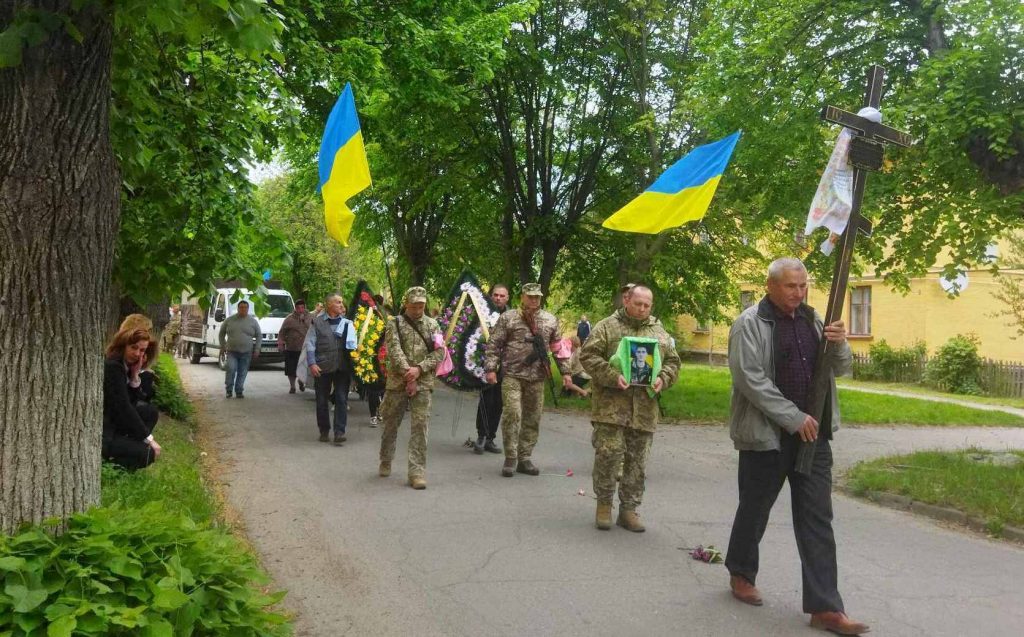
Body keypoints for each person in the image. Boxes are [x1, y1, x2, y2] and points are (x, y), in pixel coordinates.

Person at [724, 257, 868, 636]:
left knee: (817, 518)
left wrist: (838, 343)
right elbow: (750, 379)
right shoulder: (749, 324)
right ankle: (741, 572)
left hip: (814, 436)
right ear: (770, 285)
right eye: (791, 286)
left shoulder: (813, 319)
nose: (799, 293)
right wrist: (792, 417)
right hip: (767, 436)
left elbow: (841, 368)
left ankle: (825, 607)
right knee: (755, 509)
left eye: (803, 285)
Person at [580, 285, 680, 532]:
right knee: (608, 456)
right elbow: (588, 356)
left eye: (647, 305)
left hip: (644, 409)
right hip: (611, 408)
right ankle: (604, 505)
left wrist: (662, 379)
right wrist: (612, 376)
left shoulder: (658, 331)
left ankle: (629, 510)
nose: (642, 309)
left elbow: (673, 362)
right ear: (627, 301)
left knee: (637, 462)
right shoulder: (607, 326)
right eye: (638, 304)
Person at [484, 283, 572, 478]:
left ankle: (525, 458)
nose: (534, 300)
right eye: (530, 296)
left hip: (537, 378)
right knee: (512, 414)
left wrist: (566, 372)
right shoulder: (509, 318)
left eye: (537, 297)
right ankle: (511, 457)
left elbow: (558, 349)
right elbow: (494, 344)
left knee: (532, 418)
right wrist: (491, 368)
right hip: (512, 375)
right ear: (522, 297)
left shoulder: (550, 320)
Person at [378, 287, 444, 489]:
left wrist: (419, 370)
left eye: (421, 305)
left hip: (423, 382)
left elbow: (440, 353)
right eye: (414, 305)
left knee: (420, 426)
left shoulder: (433, 325)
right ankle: (386, 458)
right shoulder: (394, 324)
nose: (417, 309)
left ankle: (417, 471)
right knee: (391, 423)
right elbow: (394, 351)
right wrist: (409, 374)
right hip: (398, 381)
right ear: (406, 303)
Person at [103, 327, 162, 470]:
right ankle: (113, 468)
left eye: (142, 350)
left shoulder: (125, 366)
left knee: (150, 412)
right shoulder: (113, 367)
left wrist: (135, 376)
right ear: (123, 345)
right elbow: (124, 408)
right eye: (133, 347)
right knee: (149, 453)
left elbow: (133, 402)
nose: (137, 353)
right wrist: (149, 439)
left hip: (114, 422)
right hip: (105, 431)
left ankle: (129, 448)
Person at [306, 293, 357, 445]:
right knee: (321, 400)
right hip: (322, 366)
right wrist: (312, 363)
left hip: (342, 367)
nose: (342, 305)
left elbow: (354, 344)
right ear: (329, 305)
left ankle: (339, 432)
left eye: (342, 302)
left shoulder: (348, 323)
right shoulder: (316, 322)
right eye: (338, 302)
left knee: (341, 399)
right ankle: (324, 430)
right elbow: (310, 343)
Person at [473, 283, 510, 454]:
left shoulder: (512, 317)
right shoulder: (482, 315)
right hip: (487, 366)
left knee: (498, 404)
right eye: (496, 295)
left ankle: (491, 438)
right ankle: (481, 436)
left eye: (502, 296)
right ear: (491, 296)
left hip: (506, 368)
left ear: (507, 298)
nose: (498, 298)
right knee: (486, 401)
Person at [219, 299, 261, 398]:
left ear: (248, 309)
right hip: (232, 351)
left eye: (245, 308)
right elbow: (221, 333)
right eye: (241, 307)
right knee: (231, 369)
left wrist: (257, 349)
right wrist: (223, 345)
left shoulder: (253, 322)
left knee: (242, 372)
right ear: (238, 308)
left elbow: (259, 335)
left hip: (246, 352)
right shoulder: (229, 320)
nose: (243, 309)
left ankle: (239, 390)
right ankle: (229, 390)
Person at [278, 299, 313, 394]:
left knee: (305, 368)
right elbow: (282, 332)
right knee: (291, 369)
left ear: (305, 307)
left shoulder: (310, 317)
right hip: (292, 347)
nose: (300, 310)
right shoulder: (289, 319)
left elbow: (314, 330)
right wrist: (280, 343)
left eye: (302, 307)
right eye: (298, 308)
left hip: (306, 347)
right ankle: (292, 386)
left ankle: (301, 381)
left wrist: (304, 320)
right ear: (295, 308)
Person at [366, 294, 389, 428]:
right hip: (371, 356)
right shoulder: (366, 317)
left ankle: (378, 411)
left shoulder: (386, 317)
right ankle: (373, 415)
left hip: (383, 356)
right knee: (374, 389)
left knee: (382, 389)